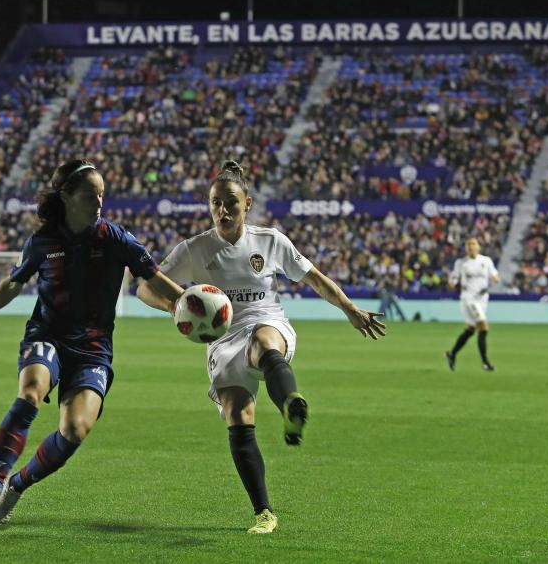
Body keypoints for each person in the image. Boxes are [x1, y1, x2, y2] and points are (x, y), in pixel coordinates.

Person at [136, 160, 386, 535]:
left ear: (247, 204)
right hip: (221, 338)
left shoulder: (270, 241)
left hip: (266, 320)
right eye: (216, 203)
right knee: (238, 414)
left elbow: (314, 278)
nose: (223, 210)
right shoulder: (194, 249)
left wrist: (350, 309)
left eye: (231, 203)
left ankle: (289, 405)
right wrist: (175, 306)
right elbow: (144, 287)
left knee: (263, 342)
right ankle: (264, 512)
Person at [0, 159, 184, 525]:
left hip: (93, 351)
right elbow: (14, 283)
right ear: (67, 197)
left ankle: (16, 486)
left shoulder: (115, 238)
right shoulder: (43, 242)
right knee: (30, 392)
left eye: (102, 195)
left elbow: (153, 276)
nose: (99, 202)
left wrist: (187, 302)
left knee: (74, 430)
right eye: (92, 194)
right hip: (47, 336)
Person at [445, 237, 500, 372]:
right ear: (465, 248)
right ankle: (485, 362)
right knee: (483, 327)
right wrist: (452, 283)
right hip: (469, 299)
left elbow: (494, 275)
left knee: (470, 330)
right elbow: (454, 277)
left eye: (474, 243)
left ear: (479, 247)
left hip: (482, 299)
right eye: (468, 244)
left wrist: (495, 278)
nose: (471, 246)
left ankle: (452, 354)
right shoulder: (461, 263)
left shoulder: (486, 261)